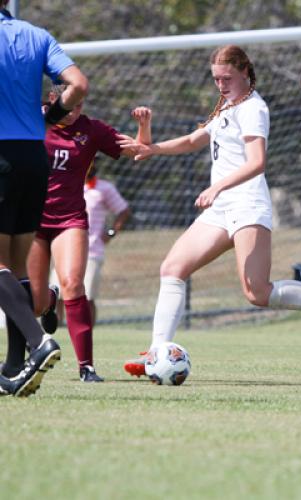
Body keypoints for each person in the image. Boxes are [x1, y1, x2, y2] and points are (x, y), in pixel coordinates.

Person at [118, 45, 301, 378]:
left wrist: (217, 186)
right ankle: (158, 351)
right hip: (222, 207)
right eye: (216, 78)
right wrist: (151, 148)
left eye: (226, 77)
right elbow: (193, 140)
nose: (220, 84)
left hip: (247, 204)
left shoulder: (253, 108)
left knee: (257, 292)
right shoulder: (227, 106)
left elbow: (257, 163)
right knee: (172, 267)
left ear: (245, 72)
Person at [6, 82, 151, 383]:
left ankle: (87, 367)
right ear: (51, 99)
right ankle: (48, 297)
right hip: (31, 220)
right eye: (69, 106)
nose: (74, 113)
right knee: (32, 304)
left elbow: (138, 151)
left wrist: (144, 126)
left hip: (69, 219)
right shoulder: (29, 120)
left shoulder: (92, 130)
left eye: (79, 106)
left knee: (74, 283)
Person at [0, 0, 88, 396]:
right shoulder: (36, 35)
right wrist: (52, 117)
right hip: (35, 157)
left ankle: (39, 343)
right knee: (15, 266)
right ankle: (15, 367)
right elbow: (79, 85)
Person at [53, 162, 131, 327]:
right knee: (58, 294)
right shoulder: (66, 184)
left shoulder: (104, 188)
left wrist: (110, 233)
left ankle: (86, 333)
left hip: (92, 251)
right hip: (64, 250)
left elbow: (123, 211)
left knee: (86, 297)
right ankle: (57, 331)